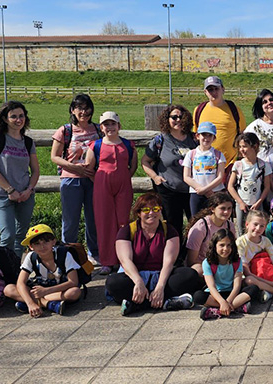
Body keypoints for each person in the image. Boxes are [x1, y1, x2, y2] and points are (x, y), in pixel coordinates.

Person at [105, 193, 203, 316]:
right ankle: (166, 302)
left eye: (155, 209)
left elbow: (169, 262)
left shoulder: (169, 230)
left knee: (189, 275)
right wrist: (138, 282)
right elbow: (126, 261)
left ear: (160, 210)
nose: (151, 213)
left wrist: (160, 287)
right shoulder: (127, 231)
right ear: (138, 213)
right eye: (146, 210)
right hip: (135, 275)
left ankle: (138, 304)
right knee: (113, 282)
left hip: (161, 275)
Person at [51, 94, 101, 263]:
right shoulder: (65, 130)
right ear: (72, 110)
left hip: (93, 180)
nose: (84, 112)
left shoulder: (98, 129)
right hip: (71, 180)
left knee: (93, 218)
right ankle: (68, 255)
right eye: (80, 108)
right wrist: (73, 167)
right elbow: (55, 157)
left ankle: (93, 253)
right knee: (70, 220)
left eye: (87, 108)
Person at [0, 100, 40, 257]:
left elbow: (35, 171)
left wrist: (28, 190)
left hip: (25, 195)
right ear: (5, 119)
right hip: (2, 194)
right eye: (13, 116)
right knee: (8, 235)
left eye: (21, 116)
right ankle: (3, 269)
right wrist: (10, 190)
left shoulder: (28, 142)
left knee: (21, 237)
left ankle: (15, 270)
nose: (18, 120)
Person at [86, 111, 137, 275]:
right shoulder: (95, 146)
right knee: (104, 223)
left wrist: (123, 178)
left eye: (113, 124)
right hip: (102, 184)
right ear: (101, 128)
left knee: (124, 221)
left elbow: (133, 166)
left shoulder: (129, 145)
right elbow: (89, 167)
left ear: (119, 126)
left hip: (123, 184)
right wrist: (101, 181)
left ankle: (124, 260)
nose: (110, 127)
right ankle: (107, 261)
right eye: (106, 124)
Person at [141, 104, 198, 237]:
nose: (178, 120)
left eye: (181, 117)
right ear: (167, 119)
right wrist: (155, 177)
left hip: (191, 190)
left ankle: (190, 255)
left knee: (195, 225)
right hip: (168, 190)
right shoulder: (160, 140)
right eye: (174, 117)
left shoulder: (194, 139)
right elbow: (145, 161)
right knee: (173, 226)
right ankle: (175, 256)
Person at [5, 224, 82, 317]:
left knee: (74, 292)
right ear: (31, 246)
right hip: (41, 290)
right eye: (37, 243)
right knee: (8, 289)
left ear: (53, 241)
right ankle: (49, 304)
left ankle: (33, 302)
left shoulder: (64, 254)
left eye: (46, 241)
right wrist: (30, 304)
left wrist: (46, 291)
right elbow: (20, 283)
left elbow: (73, 282)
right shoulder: (31, 257)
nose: (42, 246)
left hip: (59, 289)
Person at [195, 229, 260, 320]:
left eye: (229, 245)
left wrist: (228, 301)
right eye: (222, 245)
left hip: (233, 294)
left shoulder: (237, 261)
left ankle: (217, 311)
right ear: (214, 246)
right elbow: (211, 286)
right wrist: (222, 302)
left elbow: (237, 285)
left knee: (254, 288)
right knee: (198, 296)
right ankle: (237, 307)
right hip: (216, 295)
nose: (225, 249)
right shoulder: (207, 262)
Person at [193, 76, 246, 168]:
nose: (214, 92)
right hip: (205, 164)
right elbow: (196, 135)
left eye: (216, 88)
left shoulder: (234, 110)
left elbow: (242, 134)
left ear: (223, 89)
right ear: (205, 92)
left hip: (230, 164)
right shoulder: (199, 110)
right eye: (210, 90)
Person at [184, 192, 236, 275]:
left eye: (229, 208)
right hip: (203, 265)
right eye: (222, 208)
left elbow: (232, 251)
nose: (227, 212)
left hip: (221, 264)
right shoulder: (201, 227)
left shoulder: (230, 226)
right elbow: (191, 260)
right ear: (212, 209)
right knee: (198, 270)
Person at [228, 132, 269, 235]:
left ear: (254, 146)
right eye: (240, 147)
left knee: (258, 229)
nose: (242, 149)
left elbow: (267, 187)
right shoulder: (238, 165)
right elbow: (230, 186)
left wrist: (259, 202)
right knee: (241, 230)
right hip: (241, 204)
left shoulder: (263, 165)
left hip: (257, 203)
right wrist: (240, 202)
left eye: (245, 146)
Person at [183, 121, 226, 217]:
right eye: (203, 135)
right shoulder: (191, 154)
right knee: (196, 219)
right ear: (197, 136)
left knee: (215, 218)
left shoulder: (218, 155)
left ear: (214, 138)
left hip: (214, 192)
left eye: (209, 135)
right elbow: (186, 176)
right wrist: (200, 189)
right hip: (196, 193)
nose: (206, 138)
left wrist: (206, 189)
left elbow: (220, 176)